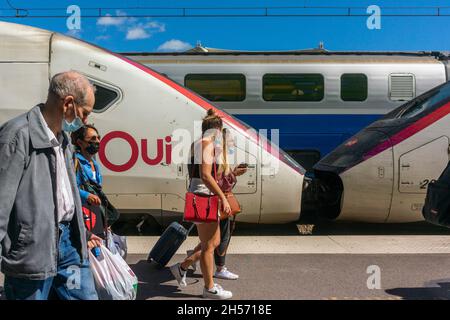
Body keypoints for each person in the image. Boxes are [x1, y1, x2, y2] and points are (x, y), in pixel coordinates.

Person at [0, 71, 102, 300]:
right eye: (84, 113)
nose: (84, 121)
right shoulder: (17, 135)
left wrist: (82, 232)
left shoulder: (64, 140)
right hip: (31, 250)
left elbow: (65, 193)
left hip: (69, 246)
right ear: (68, 104)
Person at [171, 109, 233, 299]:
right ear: (217, 130)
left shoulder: (198, 143)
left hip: (201, 194)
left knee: (213, 242)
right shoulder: (206, 144)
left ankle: (182, 267)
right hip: (204, 196)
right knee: (208, 245)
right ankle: (209, 288)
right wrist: (222, 197)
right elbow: (206, 176)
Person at [172, 128, 247, 284]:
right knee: (212, 243)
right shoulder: (214, 154)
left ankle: (189, 267)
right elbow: (219, 182)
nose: (233, 144)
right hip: (212, 202)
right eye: (231, 141)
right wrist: (234, 174)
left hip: (208, 201)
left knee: (212, 241)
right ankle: (195, 272)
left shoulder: (198, 149)